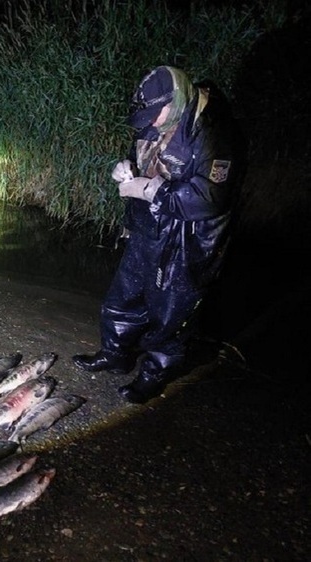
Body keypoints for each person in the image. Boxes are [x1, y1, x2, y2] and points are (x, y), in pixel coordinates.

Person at [72, 65, 246, 404]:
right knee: (123, 296)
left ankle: (153, 373)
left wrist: (150, 191)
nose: (151, 121)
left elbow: (210, 198)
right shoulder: (157, 117)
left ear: (177, 99)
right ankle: (115, 354)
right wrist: (126, 168)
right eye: (146, 116)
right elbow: (144, 152)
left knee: (171, 314)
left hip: (187, 240)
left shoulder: (218, 132)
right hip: (147, 227)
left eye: (156, 114)